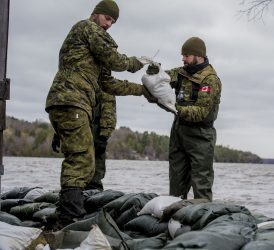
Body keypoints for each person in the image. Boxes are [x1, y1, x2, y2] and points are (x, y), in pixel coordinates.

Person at [45, 0, 153, 227]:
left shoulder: (93, 52)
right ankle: (68, 220)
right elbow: (114, 58)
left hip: (71, 104)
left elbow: (108, 83)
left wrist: (142, 90)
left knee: (84, 161)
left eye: (113, 22)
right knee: (81, 160)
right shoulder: (86, 27)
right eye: (108, 18)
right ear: (97, 14)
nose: (109, 25)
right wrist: (134, 63)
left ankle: (69, 213)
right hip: (71, 101)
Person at [148, 37, 222, 201]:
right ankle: (173, 217)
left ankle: (202, 219)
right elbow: (163, 78)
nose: (183, 59)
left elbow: (201, 112)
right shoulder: (181, 72)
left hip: (200, 136)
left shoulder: (210, 80)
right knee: (176, 182)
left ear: (198, 56)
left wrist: (175, 108)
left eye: (186, 55)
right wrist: (154, 71)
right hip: (179, 132)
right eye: (183, 55)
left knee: (201, 183)